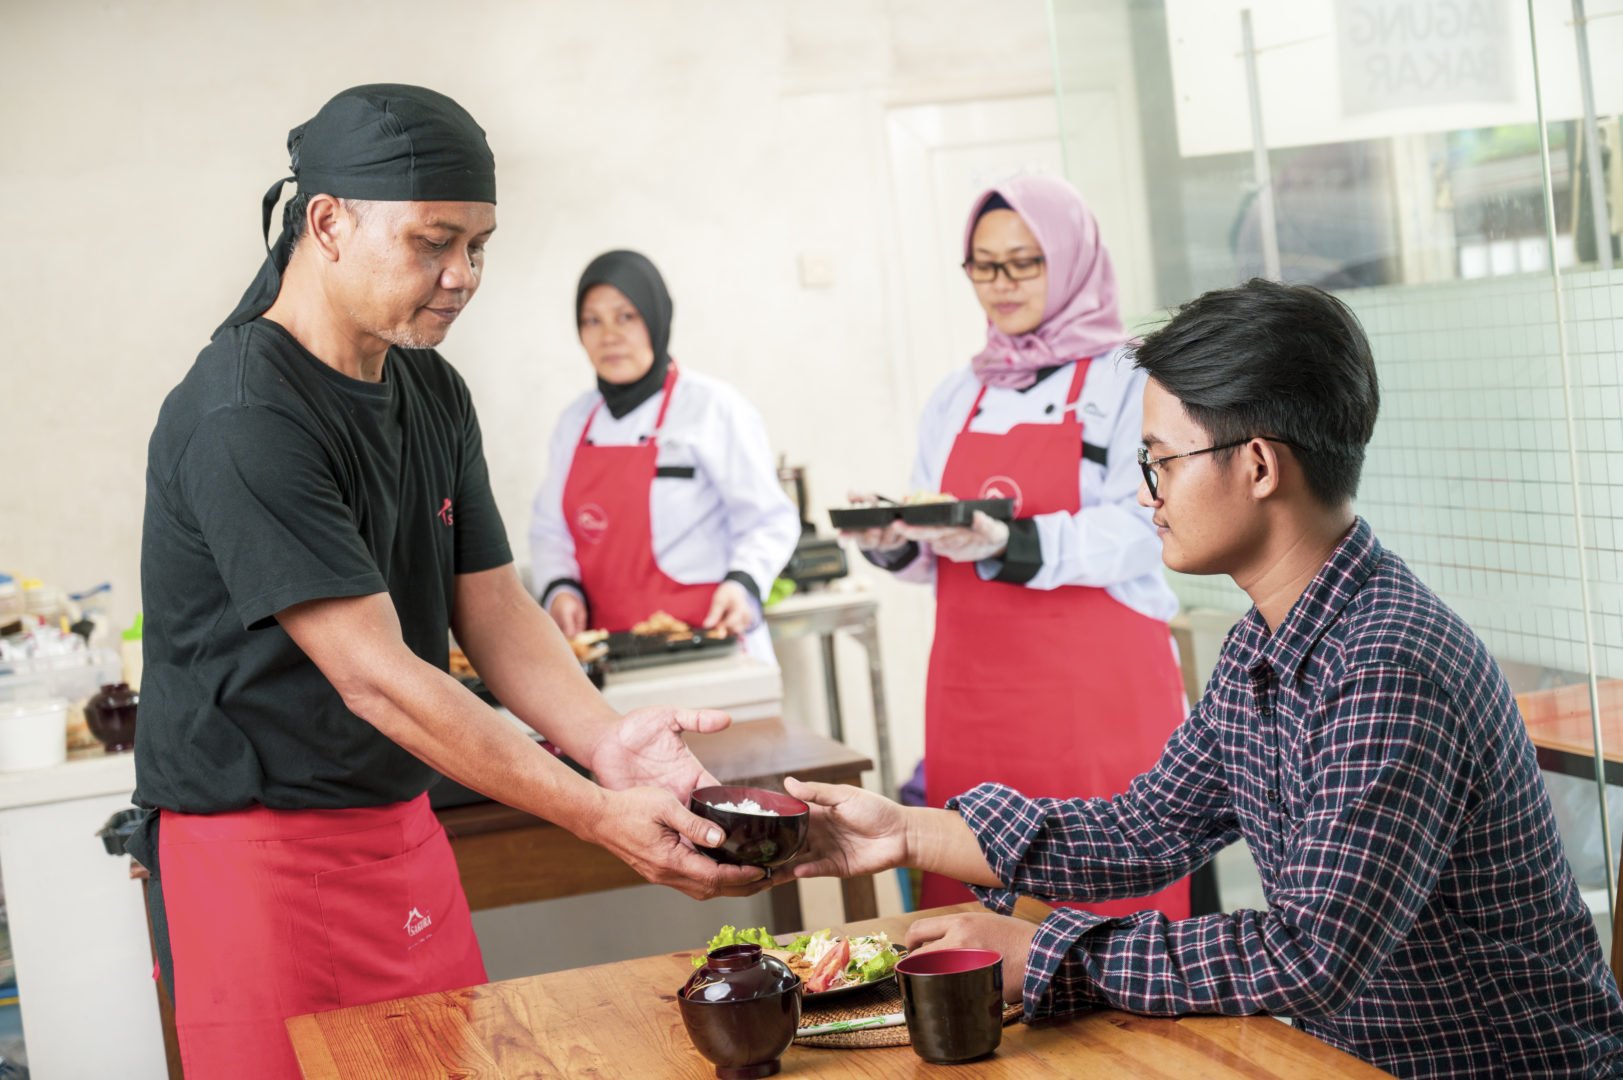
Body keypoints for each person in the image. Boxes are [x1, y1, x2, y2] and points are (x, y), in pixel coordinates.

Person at [789, 278, 1623, 1077]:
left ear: (1258, 466)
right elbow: (1144, 829)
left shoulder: (1385, 665)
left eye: (1161, 461)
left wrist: (1046, 955)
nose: (1147, 495)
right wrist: (902, 831)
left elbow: (1308, 958)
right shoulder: (1263, 645)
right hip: (1338, 1059)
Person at [131, 85, 763, 1080]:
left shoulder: (427, 383)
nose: (462, 276)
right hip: (260, 861)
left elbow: (494, 605)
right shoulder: (243, 414)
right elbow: (375, 674)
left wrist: (605, 741)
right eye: (434, 242)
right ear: (328, 222)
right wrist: (597, 815)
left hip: (399, 830)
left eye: (479, 246)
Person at [848, 175, 1188, 915]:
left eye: (1023, 262)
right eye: (983, 264)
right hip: (973, 699)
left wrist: (1011, 541)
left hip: (1098, 700)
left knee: (1112, 922)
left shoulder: (1133, 381)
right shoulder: (956, 394)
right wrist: (891, 542)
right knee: (972, 917)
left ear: (1068, 259)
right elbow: (937, 542)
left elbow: (1149, 525)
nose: (1000, 284)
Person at [529, 250, 799, 661]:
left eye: (626, 317)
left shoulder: (712, 407)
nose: (609, 336)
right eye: (592, 320)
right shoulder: (575, 422)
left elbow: (768, 519)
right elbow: (551, 531)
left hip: (710, 640)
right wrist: (560, 588)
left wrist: (743, 584)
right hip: (608, 653)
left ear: (656, 319)